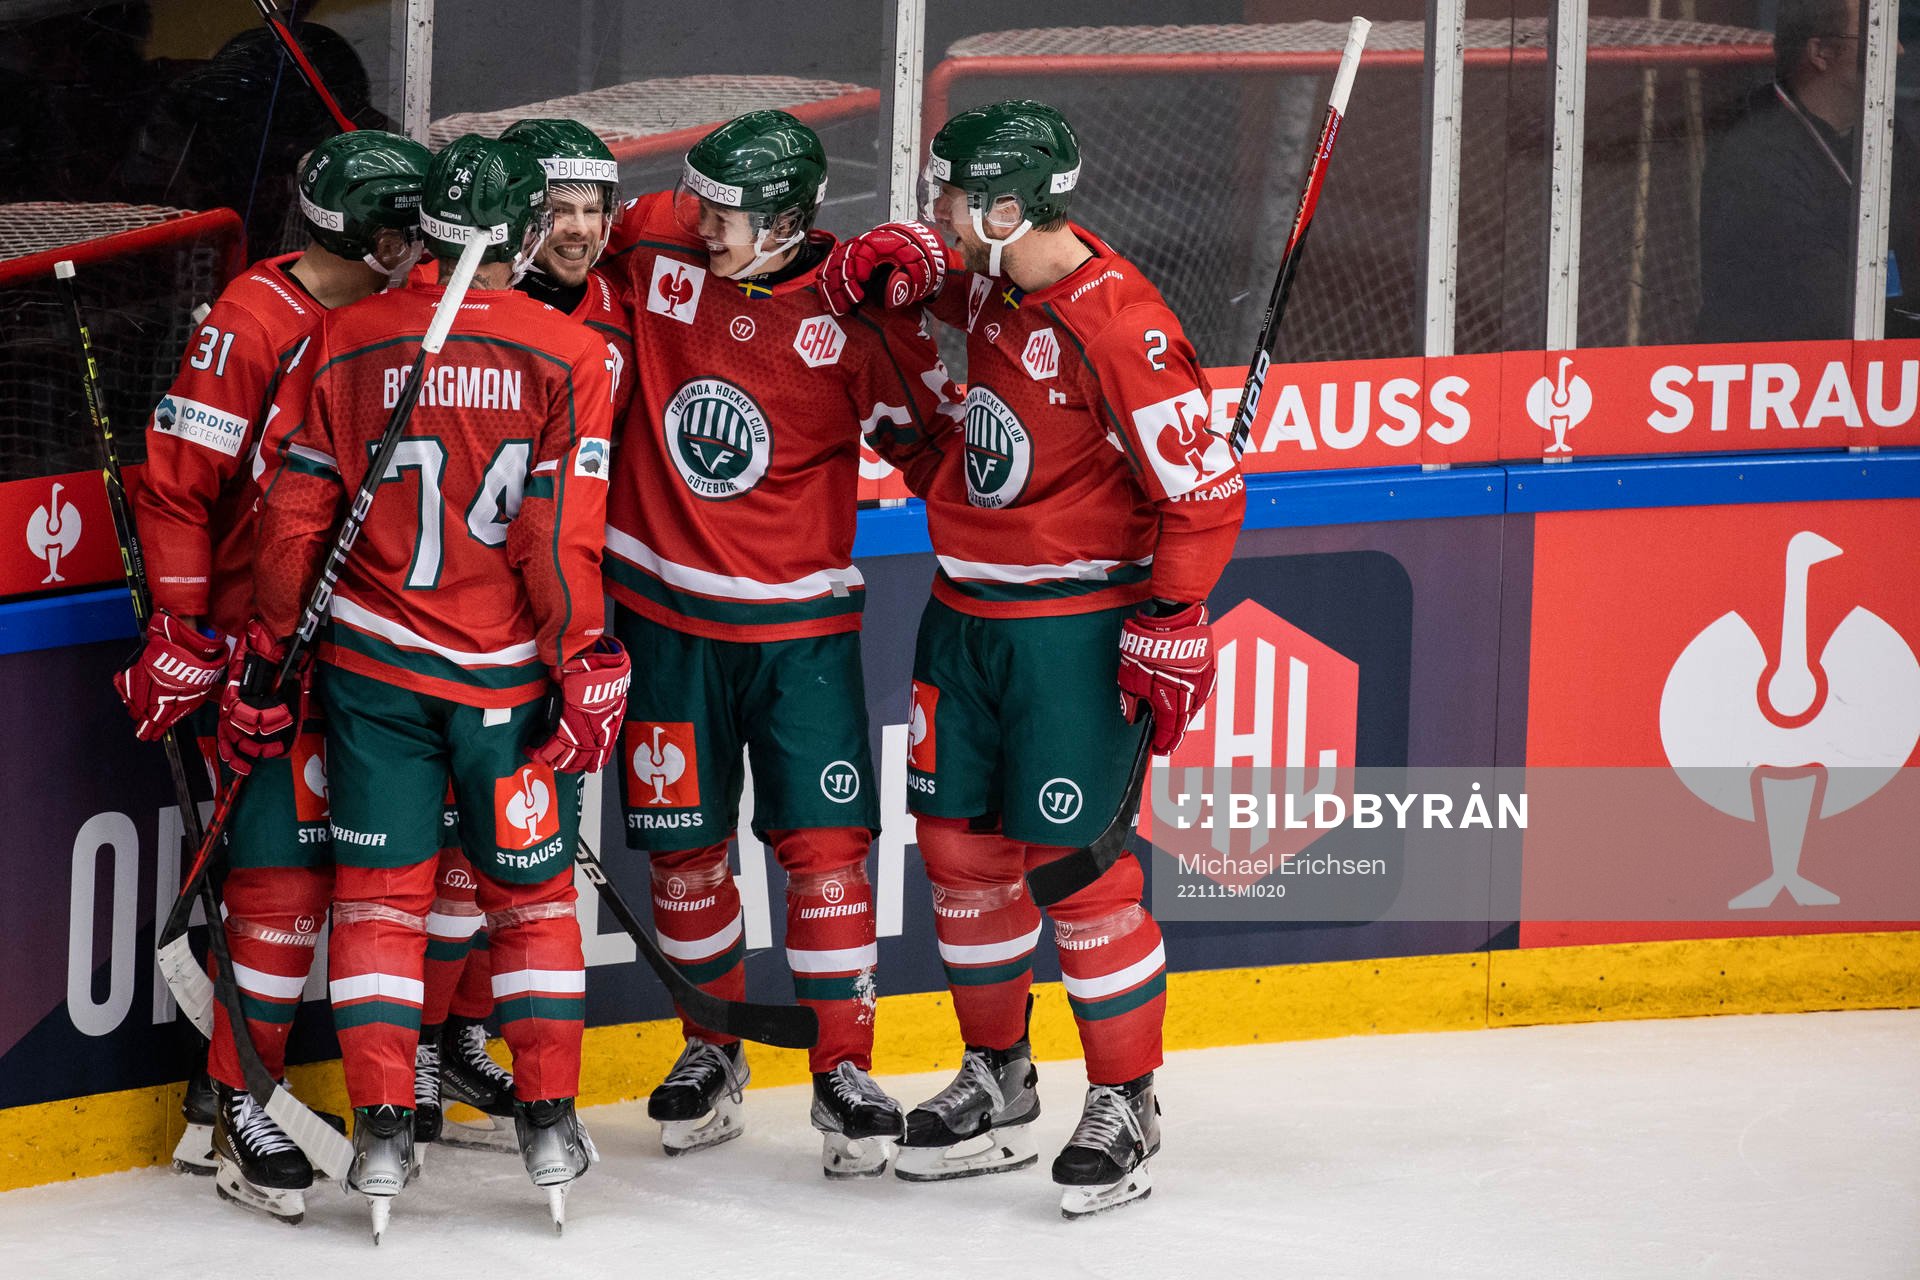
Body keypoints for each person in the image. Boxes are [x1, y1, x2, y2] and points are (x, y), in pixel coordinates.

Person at [821, 99, 1243, 1217]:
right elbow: (943, 292)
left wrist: (1174, 614)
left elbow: (1203, 494)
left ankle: (1125, 1097)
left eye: (951, 198)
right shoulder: (1003, 282)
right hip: (963, 620)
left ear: (1008, 206)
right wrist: (903, 266)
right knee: (962, 856)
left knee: (1077, 871)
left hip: (1073, 633)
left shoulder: (1123, 325)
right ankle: (999, 1078)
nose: (940, 211)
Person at [236, 133, 625, 1236]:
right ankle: (548, 1118)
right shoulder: (568, 351)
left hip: (372, 675)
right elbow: (555, 541)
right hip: (503, 683)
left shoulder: (343, 338)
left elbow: (291, 526)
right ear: (521, 232)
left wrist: (269, 653)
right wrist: (582, 655)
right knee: (531, 901)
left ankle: (383, 1131)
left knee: (379, 902)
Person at [602, 109, 957, 1177]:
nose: (703, 221)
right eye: (700, 199)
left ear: (791, 219)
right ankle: (711, 1050)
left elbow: (944, 447)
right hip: (666, 621)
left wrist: (928, 275)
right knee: (682, 847)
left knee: (824, 851)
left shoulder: (852, 318)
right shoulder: (660, 236)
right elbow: (565, 226)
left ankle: (842, 1064)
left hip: (799, 633)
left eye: (730, 212)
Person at [112, 128, 430, 1222]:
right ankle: (244, 1105)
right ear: (383, 240)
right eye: (415, 230)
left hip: (376, 638)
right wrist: (186, 629)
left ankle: (219, 1090)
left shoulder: (407, 307)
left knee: (373, 873)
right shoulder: (254, 321)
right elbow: (176, 489)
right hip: (267, 649)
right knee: (278, 874)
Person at [407, 116, 635, 1152]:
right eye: (561, 212)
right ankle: (418, 1041)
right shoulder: (467, 316)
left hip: (561, 625)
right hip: (450, 627)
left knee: (501, 858)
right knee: (448, 852)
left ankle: (454, 1035)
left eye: (597, 210)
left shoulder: (618, 307)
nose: (580, 231)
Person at [1696, 0, 1920, 341]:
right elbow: (1827, 311)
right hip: (1781, 374)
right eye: (1877, 34)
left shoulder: (1888, 135)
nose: (1900, 51)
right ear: (1821, 53)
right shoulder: (1756, 159)